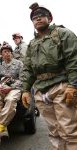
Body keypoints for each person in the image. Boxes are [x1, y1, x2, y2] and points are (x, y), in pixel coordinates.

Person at [21, 2, 77, 150]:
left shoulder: (63, 34)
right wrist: (26, 90)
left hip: (62, 87)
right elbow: (27, 69)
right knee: (54, 132)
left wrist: (72, 85)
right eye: (34, 18)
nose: (38, 19)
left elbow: (73, 60)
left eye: (41, 16)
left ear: (50, 18)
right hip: (41, 91)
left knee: (69, 131)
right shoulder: (32, 44)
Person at [0, 44, 23, 145]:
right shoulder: (0, 65)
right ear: (1, 54)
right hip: (2, 87)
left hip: (14, 88)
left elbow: (23, 79)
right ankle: (4, 129)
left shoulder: (19, 63)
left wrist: (11, 87)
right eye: (5, 51)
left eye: (9, 51)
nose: (7, 53)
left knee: (10, 100)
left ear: (11, 53)